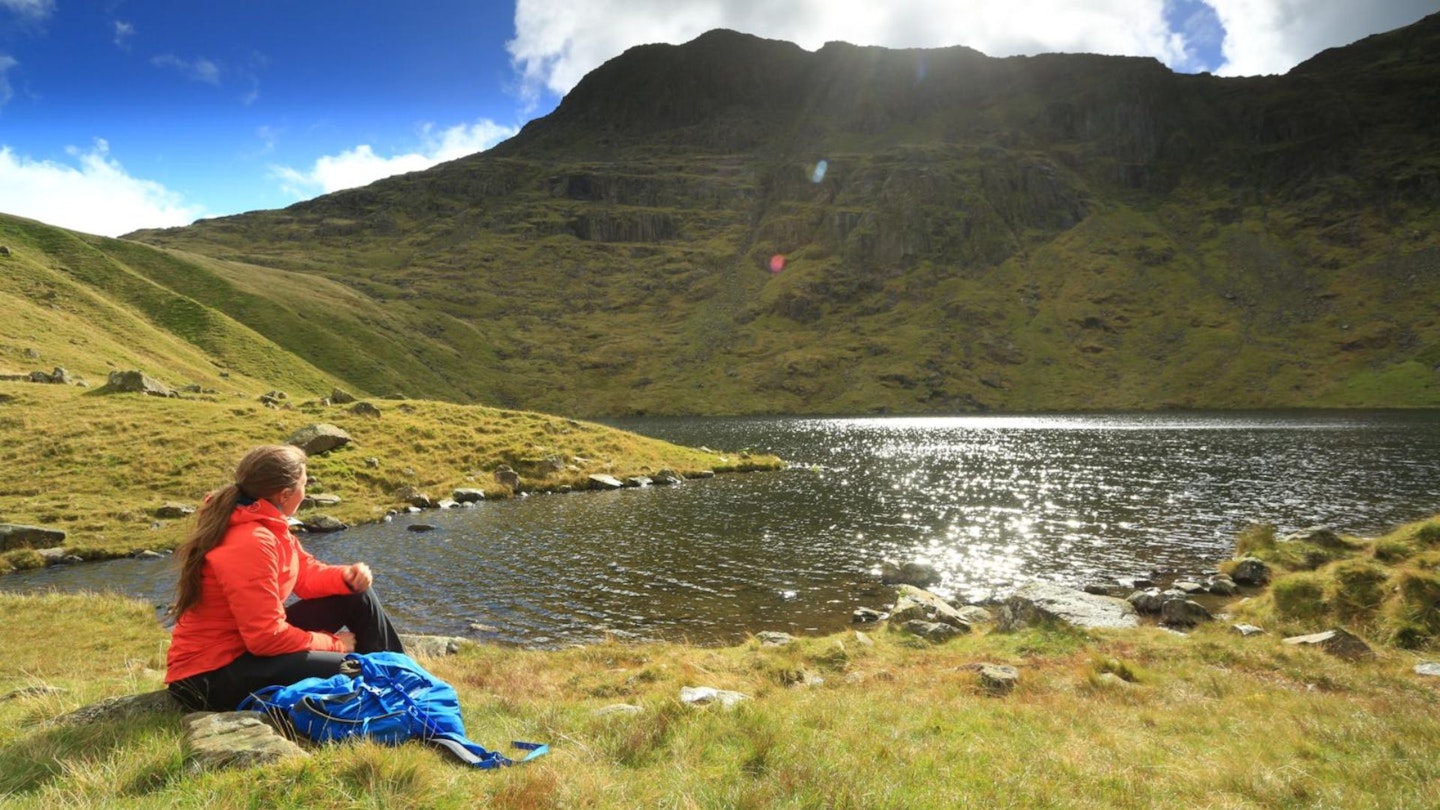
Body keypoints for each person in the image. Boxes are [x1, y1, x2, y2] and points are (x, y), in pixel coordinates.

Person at [165, 444, 405, 711]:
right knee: (352, 668)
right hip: (211, 676)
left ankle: (403, 679)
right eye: (304, 484)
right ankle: (394, 694)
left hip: (244, 648)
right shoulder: (252, 541)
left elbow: (303, 573)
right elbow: (266, 638)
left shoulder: (265, 523)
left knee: (355, 595)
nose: (306, 491)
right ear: (285, 494)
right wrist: (335, 644)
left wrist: (346, 577)